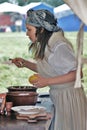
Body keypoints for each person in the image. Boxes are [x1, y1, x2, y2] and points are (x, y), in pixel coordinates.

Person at [11, 9, 87, 130]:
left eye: (29, 29)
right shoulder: (49, 44)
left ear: (41, 30)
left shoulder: (59, 45)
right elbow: (50, 69)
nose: (27, 33)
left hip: (69, 99)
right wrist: (25, 63)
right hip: (61, 97)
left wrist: (47, 82)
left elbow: (78, 74)